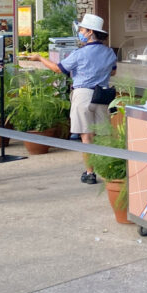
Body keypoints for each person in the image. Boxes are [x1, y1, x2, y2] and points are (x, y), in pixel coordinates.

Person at [28, 14, 117, 184]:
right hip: (103, 96)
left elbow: (57, 69)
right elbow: (113, 72)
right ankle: (109, 171)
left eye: (82, 30)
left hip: (83, 95)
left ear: (91, 32)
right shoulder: (109, 52)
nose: (80, 33)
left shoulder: (79, 53)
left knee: (86, 136)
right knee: (105, 135)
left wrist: (39, 58)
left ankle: (90, 173)